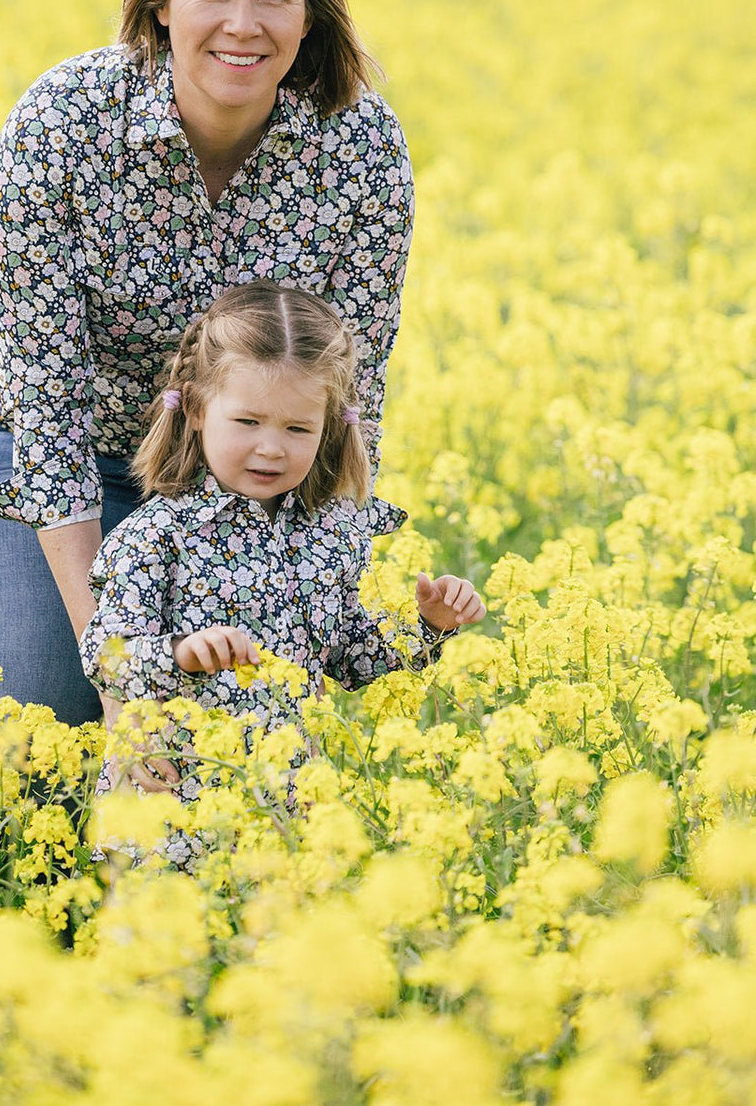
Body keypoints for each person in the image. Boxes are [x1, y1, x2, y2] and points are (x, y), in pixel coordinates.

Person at [0, 0, 417, 731]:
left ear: (310, 12)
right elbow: (49, 399)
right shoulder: (63, 125)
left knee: (243, 740)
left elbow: (354, 395)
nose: (243, 25)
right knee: (49, 721)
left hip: (248, 473)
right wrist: (121, 676)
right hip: (65, 451)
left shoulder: (360, 149)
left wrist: (326, 594)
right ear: (161, 3)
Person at [80, 282, 486, 812]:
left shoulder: (329, 536)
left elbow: (348, 660)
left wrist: (428, 626)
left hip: (285, 816)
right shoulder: (154, 536)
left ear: (329, 428)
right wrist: (179, 652)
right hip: (171, 811)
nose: (271, 448)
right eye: (247, 422)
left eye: (298, 428)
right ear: (198, 409)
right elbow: (104, 655)